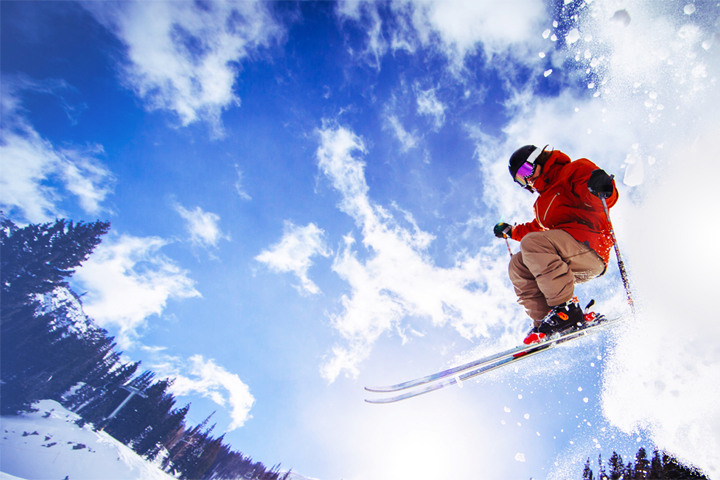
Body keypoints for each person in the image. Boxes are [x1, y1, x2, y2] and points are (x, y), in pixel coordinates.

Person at [493, 145, 617, 345]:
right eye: (520, 179)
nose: (527, 180)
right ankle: (546, 320)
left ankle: (565, 310)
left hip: (590, 247)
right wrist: (511, 231)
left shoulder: (574, 170)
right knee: (517, 264)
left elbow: (601, 199)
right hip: (564, 253)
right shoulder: (541, 204)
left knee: (532, 244)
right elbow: (536, 228)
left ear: (538, 160)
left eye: (526, 171)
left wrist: (603, 188)